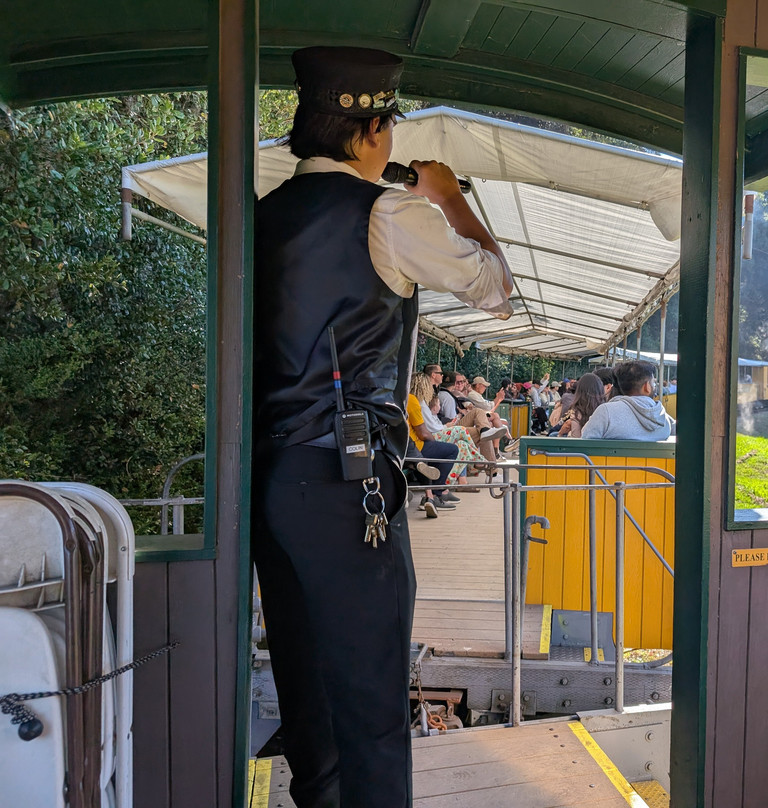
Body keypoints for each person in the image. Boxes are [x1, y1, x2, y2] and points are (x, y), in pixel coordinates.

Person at [252, 46, 513, 808]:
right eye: (389, 126)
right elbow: (495, 286)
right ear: (370, 134)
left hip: (270, 477)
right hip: (349, 483)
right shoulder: (388, 211)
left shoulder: (260, 217)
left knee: (303, 676)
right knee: (368, 694)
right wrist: (448, 199)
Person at [580, 360, 675, 441]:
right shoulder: (664, 418)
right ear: (647, 387)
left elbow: (585, 441)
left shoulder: (606, 412)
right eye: (653, 383)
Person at [557, 372, 607, 438]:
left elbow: (576, 439)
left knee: (553, 435)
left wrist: (560, 435)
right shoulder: (606, 409)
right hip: (602, 446)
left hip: (582, 445)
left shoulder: (577, 411)